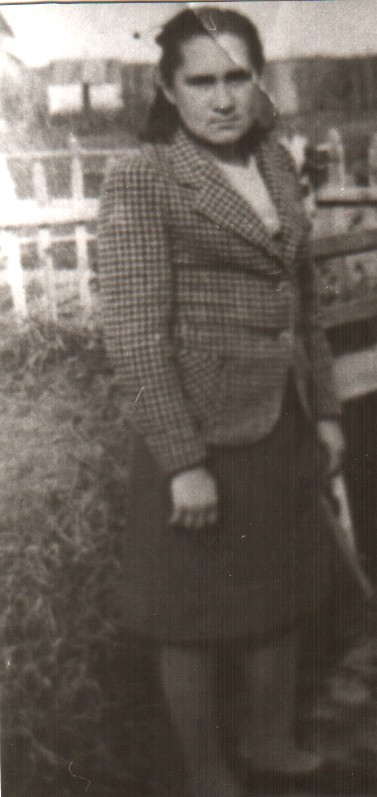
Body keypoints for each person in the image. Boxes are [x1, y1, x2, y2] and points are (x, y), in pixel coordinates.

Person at [98, 7, 345, 796]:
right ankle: (206, 771)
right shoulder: (143, 177)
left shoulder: (274, 162)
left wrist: (327, 410)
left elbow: (305, 302)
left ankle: (270, 740)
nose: (223, 98)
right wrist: (183, 462)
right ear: (168, 89)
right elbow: (135, 331)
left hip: (281, 413)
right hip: (199, 431)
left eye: (238, 77)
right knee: (192, 610)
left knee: (280, 584)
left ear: (258, 80)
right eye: (201, 81)